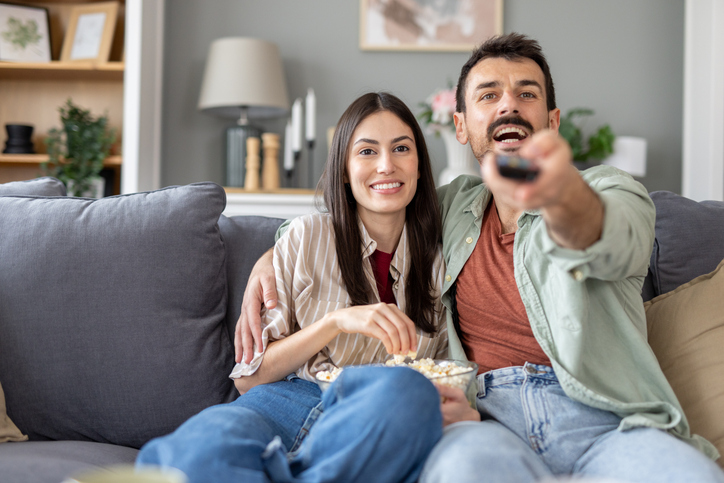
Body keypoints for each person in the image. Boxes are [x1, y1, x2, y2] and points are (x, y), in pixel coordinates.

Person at [236, 34, 724, 482]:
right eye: (489, 95)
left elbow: (614, 239)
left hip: (604, 420)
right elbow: (364, 210)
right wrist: (273, 255)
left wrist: (560, 197)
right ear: (462, 126)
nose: (509, 104)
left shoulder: (606, 190)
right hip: (482, 420)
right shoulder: (450, 207)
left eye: (527, 93)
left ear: (552, 121)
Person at [135, 92, 449, 483]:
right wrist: (335, 322)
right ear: (345, 170)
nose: (386, 165)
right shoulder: (306, 236)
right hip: (286, 399)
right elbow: (249, 379)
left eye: (401, 148)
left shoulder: (441, 263)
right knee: (200, 450)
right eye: (367, 152)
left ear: (419, 166)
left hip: (372, 413)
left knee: (409, 392)